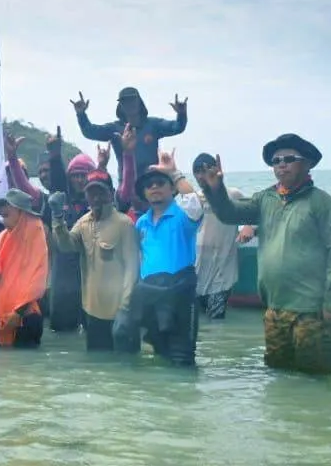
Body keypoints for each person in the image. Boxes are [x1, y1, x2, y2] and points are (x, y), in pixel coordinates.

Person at [196, 135, 331, 375]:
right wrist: (215, 189)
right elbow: (229, 214)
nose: (281, 164)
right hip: (274, 310)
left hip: (312, 312)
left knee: (317, 380)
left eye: (289, 159)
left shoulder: (325, 204)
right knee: (279, 377)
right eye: (276, 161)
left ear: (307, 163)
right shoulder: (264, 199)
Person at [126, 152, 204, 365]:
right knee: (159, 354)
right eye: (149, 185)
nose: (154, 187)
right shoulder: (141, 223)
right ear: (144, 193)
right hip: (150, 294)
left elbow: (195, 202)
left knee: (182, 358)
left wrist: (174, 172)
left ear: (172, 189)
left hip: (180, 293)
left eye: (160, 183)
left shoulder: (183, 215)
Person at [50, 169, 138, 351]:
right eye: (91, 193)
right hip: (92, 312)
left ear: (111, 193)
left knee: (126, 365)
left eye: (101, 192)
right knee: (98, 364)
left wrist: (126, 308)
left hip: (120, 313)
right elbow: (66, 246)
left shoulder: (124, 224)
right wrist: (58, 218)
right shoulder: (83, 223)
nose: (96, 198)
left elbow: (132, 267)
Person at [71, 87, 188, 184]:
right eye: (125, 101)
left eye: (132, 100)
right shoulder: (114, 129)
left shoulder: (153, 125)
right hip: (126, 187)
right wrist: (81, 114)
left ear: (139, 102)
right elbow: (90, 132)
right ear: (120, 106)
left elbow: (177, 127)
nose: (129, 104)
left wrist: (182, 114)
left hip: (152, 183)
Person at [40, 151, 97, 333]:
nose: (80, 180)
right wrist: (55, 153)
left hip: (90, 272)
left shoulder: (99, 204)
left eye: (84, 175)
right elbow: (55, 180)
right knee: (61, 331)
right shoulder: (59, 200)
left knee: (93, 329)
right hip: (63, 273)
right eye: (75, 175)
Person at [0, 188, 50, 347]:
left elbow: (37, 280)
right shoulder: (4, 237)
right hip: (2, 313)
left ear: (22, 214)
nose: (4, 220)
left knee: (24, 362)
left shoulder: (35, 234)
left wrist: (18, 313)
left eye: (7, 214)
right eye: (2, 216)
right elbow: (0, 275)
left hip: (25, 315)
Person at [192, 153, 246, 320]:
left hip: (222, 270)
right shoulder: (194, 199)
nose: (201, 176)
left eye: (205, 170)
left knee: (216, 320)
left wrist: (248, 227)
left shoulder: (233, 195)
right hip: (197, 269)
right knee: (198, 322)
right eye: (197, 172)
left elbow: (253, 213)